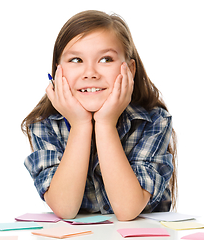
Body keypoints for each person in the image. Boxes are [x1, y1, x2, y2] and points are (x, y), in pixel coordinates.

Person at [21, 10, 177, 221]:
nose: (90, 73)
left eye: (105, 59)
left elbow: (127, 209)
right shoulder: (44, 125)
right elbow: (65, 208)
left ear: (129, 69)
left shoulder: (154, 121)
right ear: (57, 71)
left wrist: (105, 123)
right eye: (76, 60)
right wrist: (80, 125)